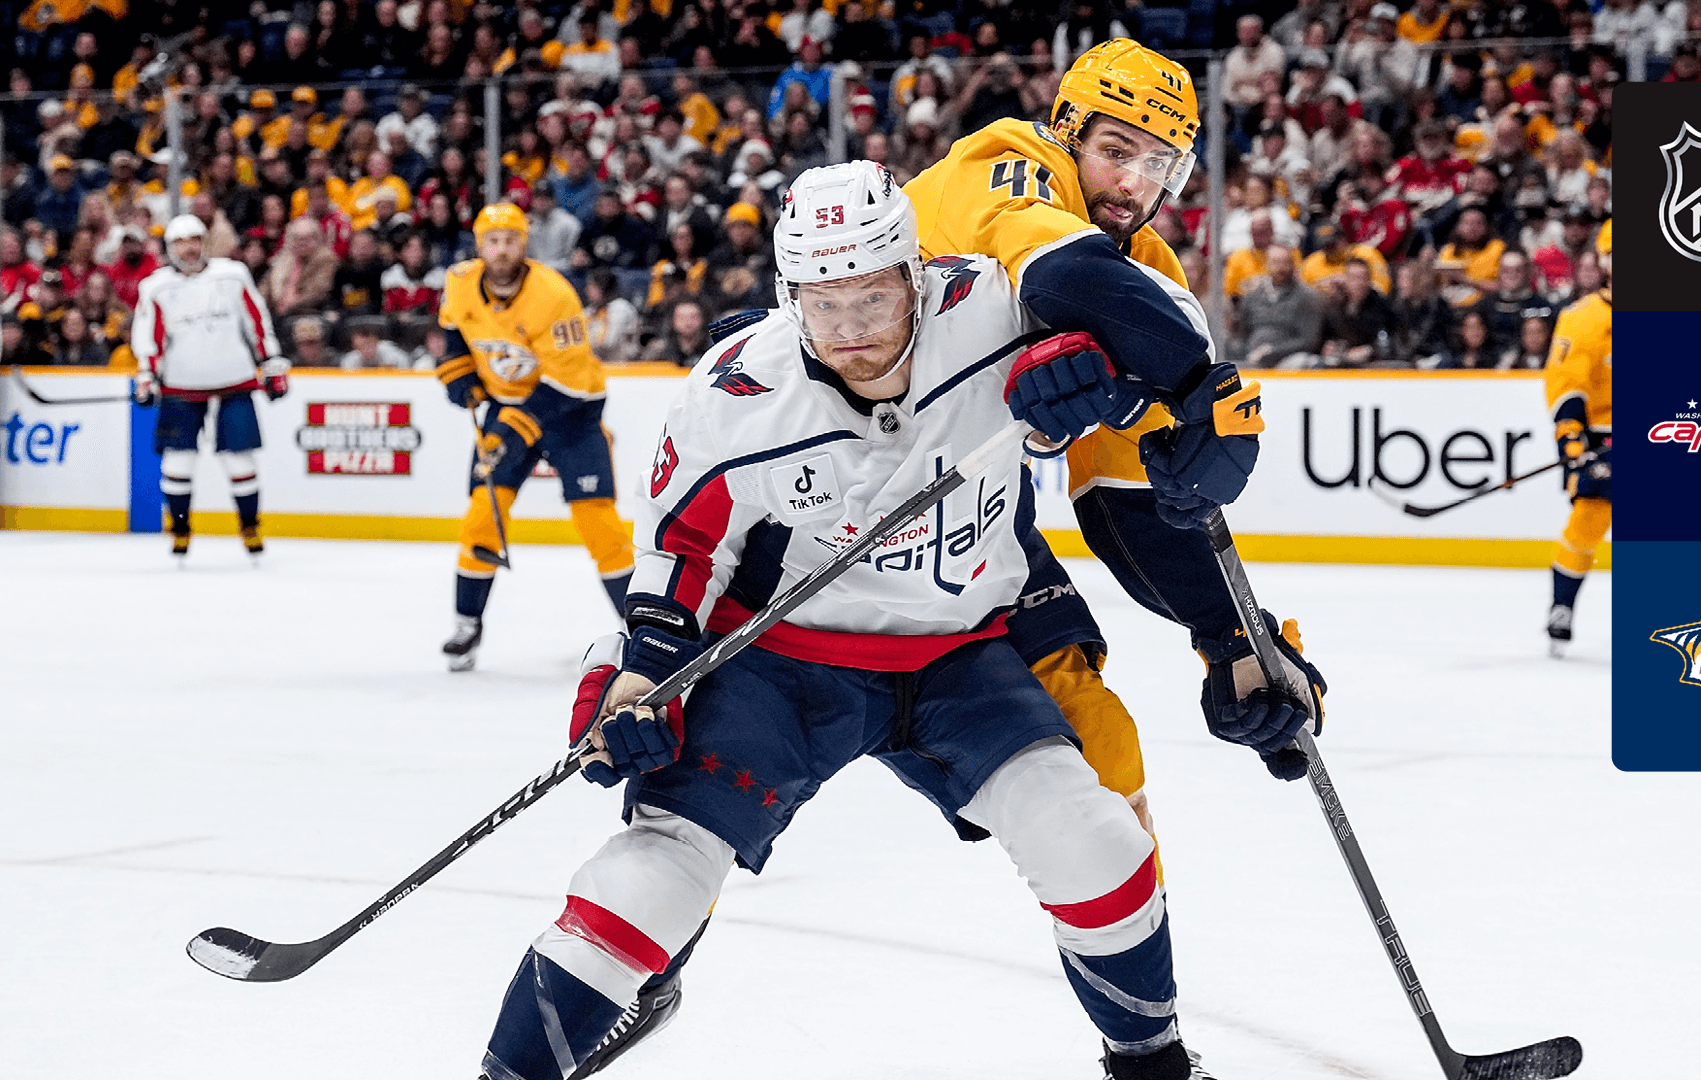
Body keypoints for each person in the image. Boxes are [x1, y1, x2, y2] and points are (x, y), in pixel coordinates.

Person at [474, 160, 1218, 1080]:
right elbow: (682, 544)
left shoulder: (997, 309)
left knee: (1093, 840)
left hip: (960, 656)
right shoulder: (735, 392)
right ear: (789, 296)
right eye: (824, 304)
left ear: (917, 274)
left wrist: (1103, 379)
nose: (853, 329)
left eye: (874, 296)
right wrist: (641, 671)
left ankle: (1154, 1067)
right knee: (654, 873)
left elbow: (1162, 336)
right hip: (783, 663)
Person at [902, 45, 1328, 1079]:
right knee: (730, 753)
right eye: (1116, 148)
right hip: (815, 500)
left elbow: (1128, 504)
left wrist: (1234, 639)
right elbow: (1061, 272)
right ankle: (635, 953)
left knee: (1105, 745)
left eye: (1161, 164)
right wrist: (1195, 384)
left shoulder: (1147, 270)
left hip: (964, 524)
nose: (1135, 181)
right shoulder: (1009, 163)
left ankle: (1148, 1055)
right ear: (1066, 130)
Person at [432, 203, 633, 671]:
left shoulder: (554, 295)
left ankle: (644, 631)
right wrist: (459, 374)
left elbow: (567, 380)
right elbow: (453, 332)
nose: (501, 249)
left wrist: (512, 427)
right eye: (492, 241)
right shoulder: (459, 281)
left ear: (524, 244)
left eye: (511, 240)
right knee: (482, 516)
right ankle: (466, 625)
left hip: (571, 411)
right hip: (508, 405)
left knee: (599, 525)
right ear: (479, 245)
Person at [131, 215, 291, 561]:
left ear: (204, 242)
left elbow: (257, 322)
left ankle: (250, 526)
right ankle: (180, 528)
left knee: (240, 460)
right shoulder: (155, 287)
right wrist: (147, 374)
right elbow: (150, 338)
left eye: (194, 240)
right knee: (178, 463)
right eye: (180, 242)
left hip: (234, 382)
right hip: (180, 387)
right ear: (169, 248)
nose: (188, 248)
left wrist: (272, 363)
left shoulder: (232, 275)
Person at [1544, 219, 1612, 657]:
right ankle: (1562, 607)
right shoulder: (1583, 317)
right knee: (1587, 521)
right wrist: (1572, 437)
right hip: (1605, 439)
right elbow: (1567, 383)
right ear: (1604, 261)